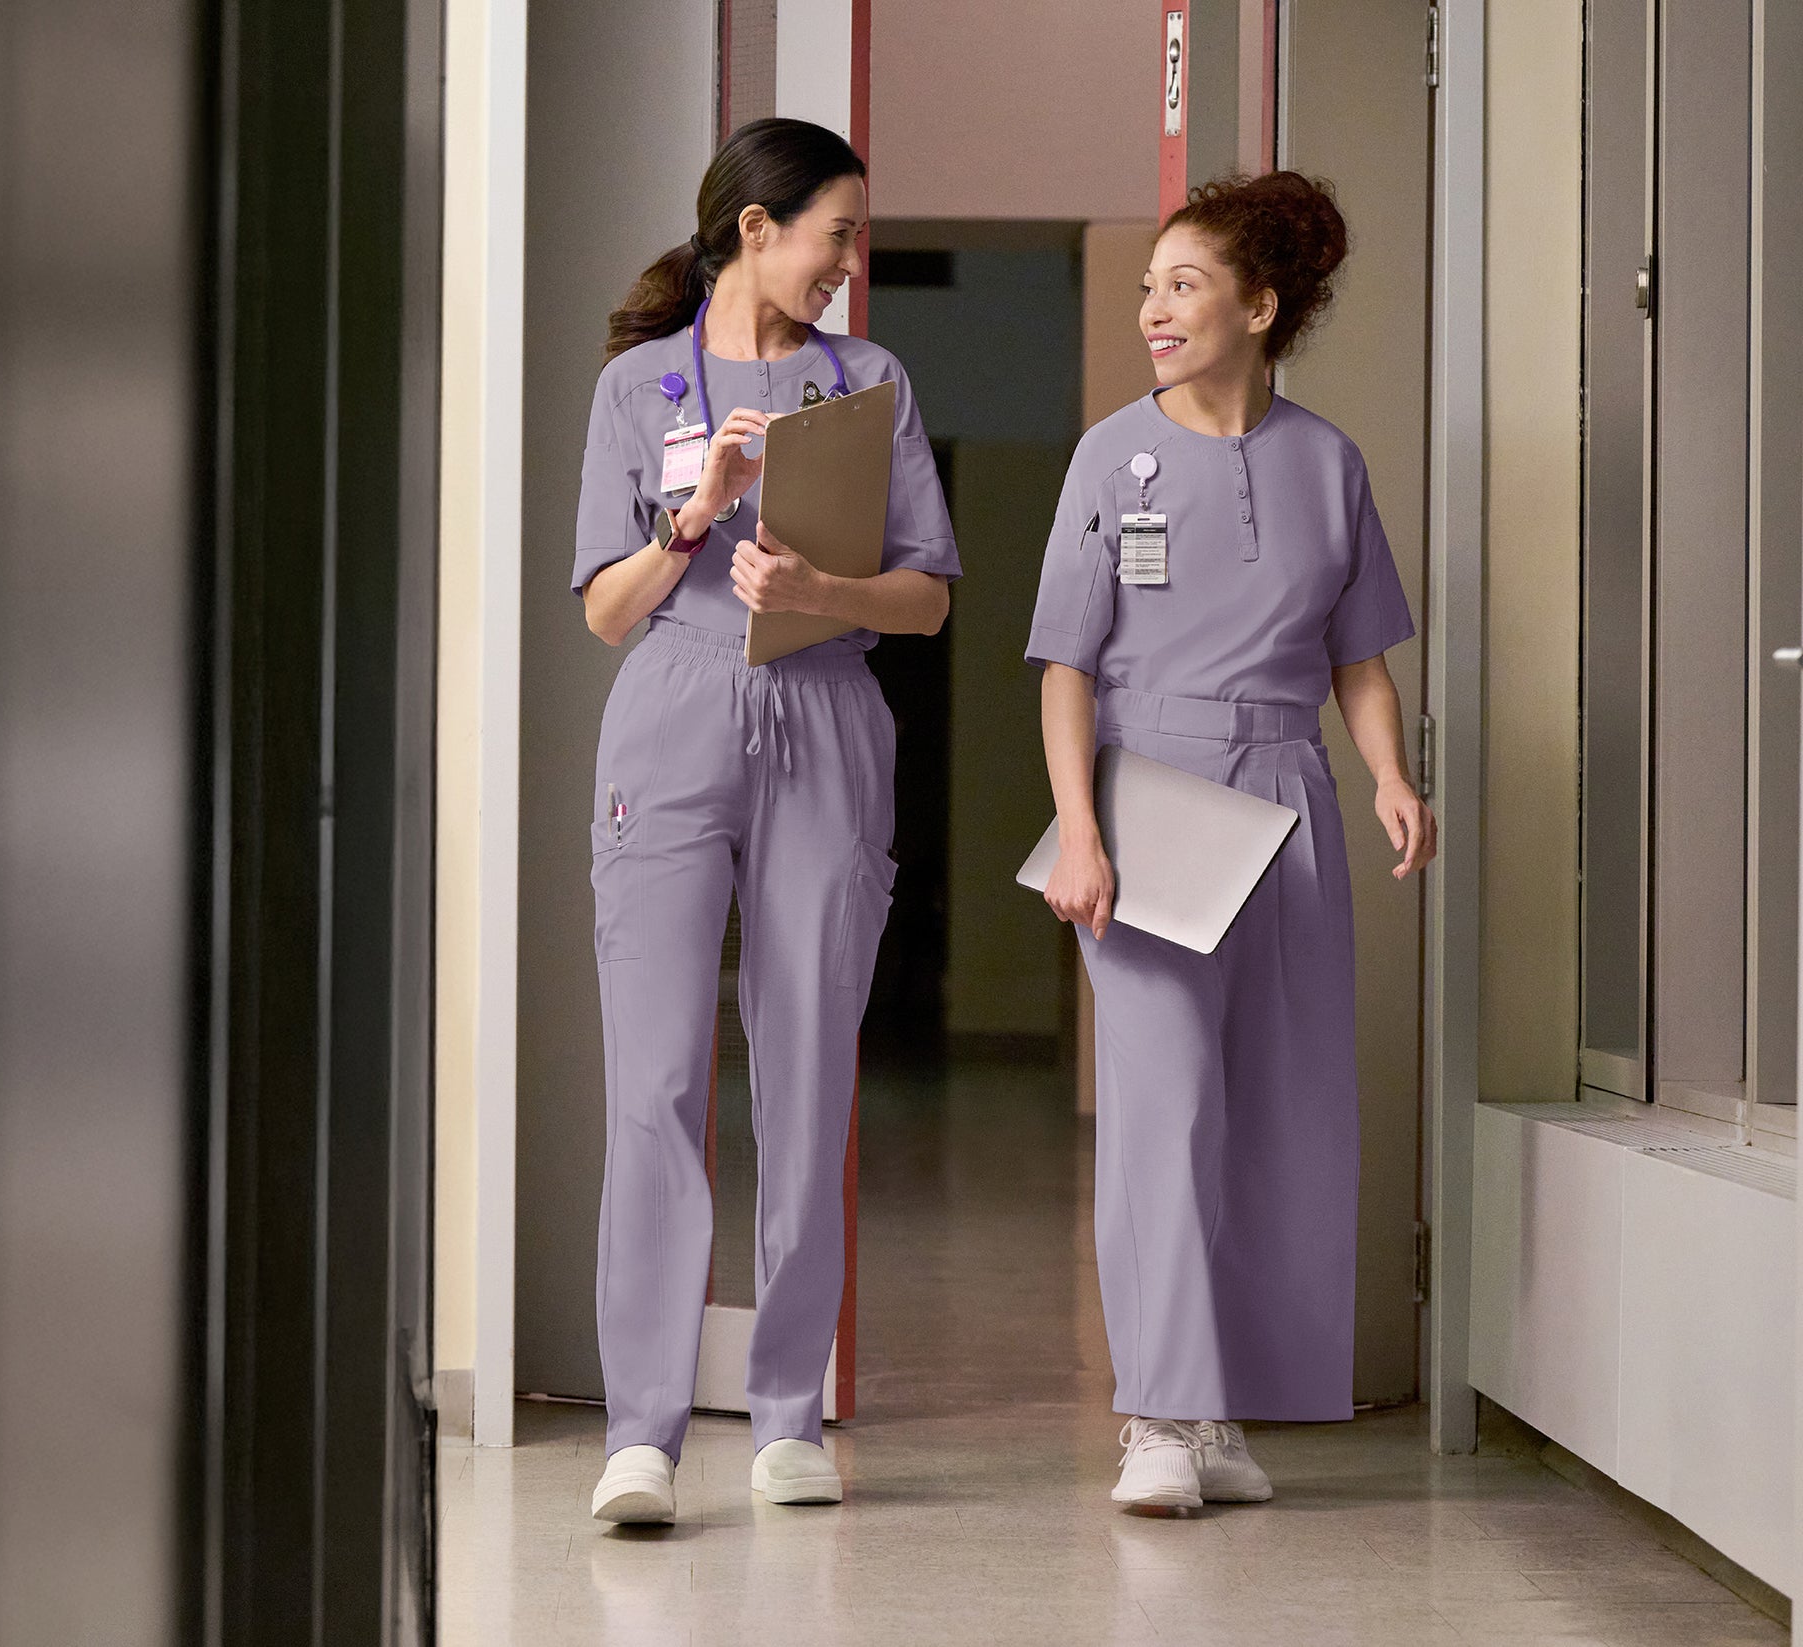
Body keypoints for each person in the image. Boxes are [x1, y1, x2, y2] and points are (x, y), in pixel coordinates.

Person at [1025, 171, 1438, 1512]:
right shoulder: (1109, 457)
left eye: (1184, 285)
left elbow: (1358, 655)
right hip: (1145, 792)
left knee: (1283, 1115)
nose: (1154, 308)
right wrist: (1080, 829)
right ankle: (1155, 1414)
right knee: (1166, 1111)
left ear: (1262, 307)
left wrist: (1387, 775)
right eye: (1149, 285)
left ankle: (1220, 1416)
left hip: (1290, 792)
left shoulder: (1329, 462)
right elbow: (1063, 669)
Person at [572, 117, 958, 1525]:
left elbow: (929, 596)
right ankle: (643, 1435)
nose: (851, 264)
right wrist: (696, 518)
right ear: (755, 229)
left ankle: (790, 1411)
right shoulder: (638, 389)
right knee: (658, 1083)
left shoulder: (872, 384)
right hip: (671, 722)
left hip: (827, 710)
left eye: (855, 239)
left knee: (806, 1073)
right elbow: (608, 613)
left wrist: (822, 596)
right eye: (835, 235)